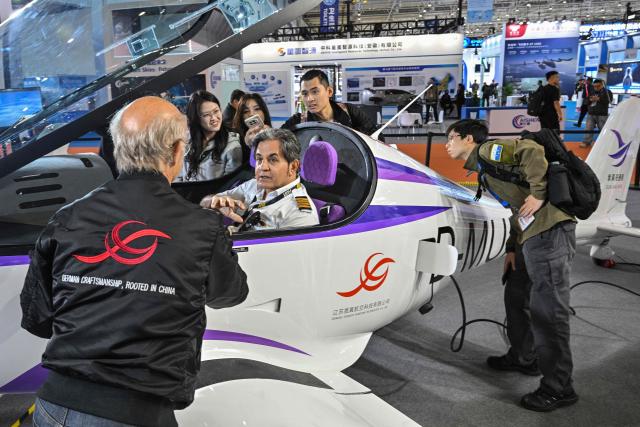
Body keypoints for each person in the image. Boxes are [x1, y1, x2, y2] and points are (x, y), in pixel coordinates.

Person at [21, 96, 248, 427]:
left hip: (53, 407)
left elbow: (38, 319)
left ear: (117, 150)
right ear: (175, 151)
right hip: (135, 414)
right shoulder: (202, 227)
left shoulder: (67, 217)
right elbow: (231, 293)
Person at [445, 119, 578, 412]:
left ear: (469, 139)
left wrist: (539, 192)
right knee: (516, 295)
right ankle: (524, 356)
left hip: (549, 233)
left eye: (451, 138)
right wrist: (512, 248)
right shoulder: (484, 170)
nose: (447, 144)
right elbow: (516, 208)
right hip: (530, 237)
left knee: (548, 312)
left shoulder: (488, 151)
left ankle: (559, 388)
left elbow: (530, 151)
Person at [201, 128, 319, 230]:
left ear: (293, 166)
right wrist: (213, 201)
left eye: (273, 160)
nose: (263, 167)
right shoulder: (253, 185)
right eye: (259, 159)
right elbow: (203, 203)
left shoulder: (299, 214)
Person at [282, 69, 376, 135]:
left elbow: (376, 135)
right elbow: (277, 139)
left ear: (329, 92)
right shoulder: (298, 121)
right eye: (305, 94)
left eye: (315, 92)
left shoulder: (349, 112)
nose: (309, 99)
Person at [179, 90, 243, 181]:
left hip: (215, 194)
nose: (214, 118)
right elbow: (177, 176)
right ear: (196, 118)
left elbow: (230, 185)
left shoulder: (232, 145)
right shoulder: (184, 142)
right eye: (206, 115)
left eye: (216, 111)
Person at [232, 93, 273, 164]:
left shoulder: (274, 135)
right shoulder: (235, 140)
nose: (251, 114)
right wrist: (248, 145)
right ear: (241, 116)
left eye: (257, 109)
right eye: (246, 111)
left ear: (264, 112)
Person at [580, 79, 612, 148]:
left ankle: (605, 143)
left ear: (602, 85)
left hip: (602, 114)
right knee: (588, 128)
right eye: (594, 86)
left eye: (598, 86)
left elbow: (609, 101)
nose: (596, 88)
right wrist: (590, 100)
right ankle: (586, 142)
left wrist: (598, 99)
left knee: (603, 129)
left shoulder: (607, 92)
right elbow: (586, 101)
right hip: (591, 113)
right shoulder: (591, 91)